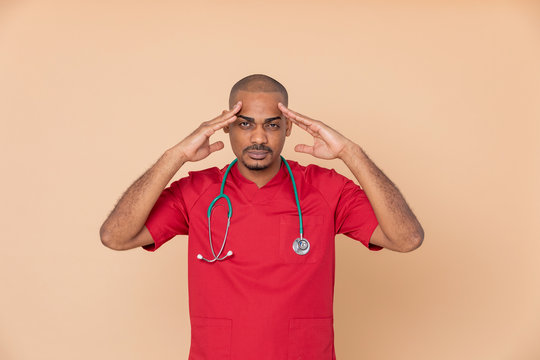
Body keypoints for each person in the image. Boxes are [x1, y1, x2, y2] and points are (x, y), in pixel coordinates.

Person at [100, 74, 424, 359]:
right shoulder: (198, 192)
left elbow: (406, 238)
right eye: (245, 124)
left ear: (288, 127)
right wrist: (176, 156)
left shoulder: (325, 189)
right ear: (227, 126)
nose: (258, 138)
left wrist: (350, 153)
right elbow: (116, 236)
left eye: (271, 124)